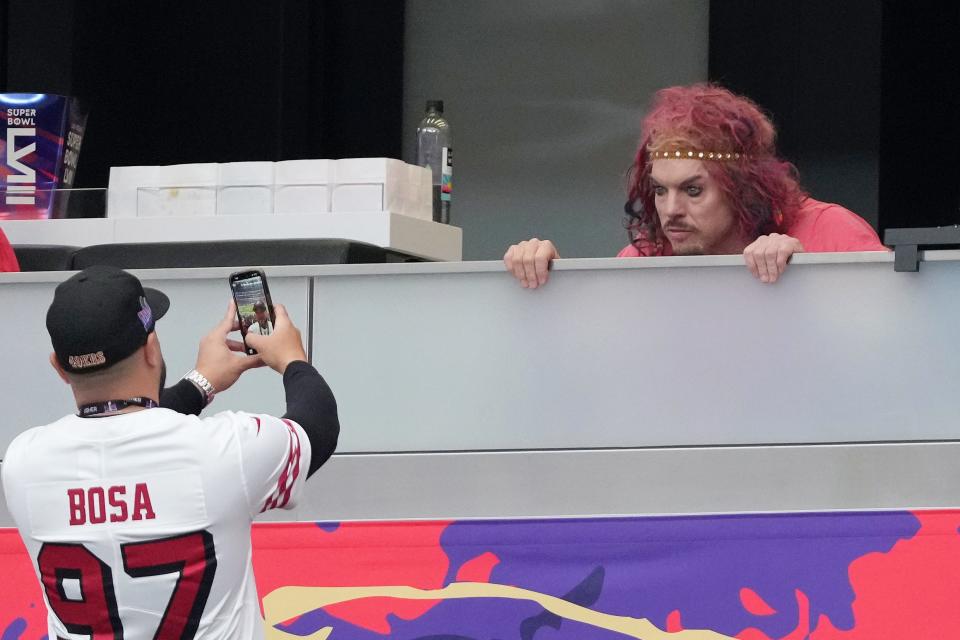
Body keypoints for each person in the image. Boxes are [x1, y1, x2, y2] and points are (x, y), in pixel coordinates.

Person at [1, 265, 339, 639]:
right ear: (151, 349)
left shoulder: (23, 464)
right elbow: (318, 428)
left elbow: (123, 430)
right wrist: (291, 358)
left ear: (60, 369)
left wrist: (201, 384)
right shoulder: (225, 452)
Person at [504, 83, 887, 288]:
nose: (670, 211)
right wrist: (543, 281)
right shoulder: (643, 261)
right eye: (659, 191)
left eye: (692, 190)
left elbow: (896, 348)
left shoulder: (831, 232)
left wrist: (813, 279)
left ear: (743, 188)